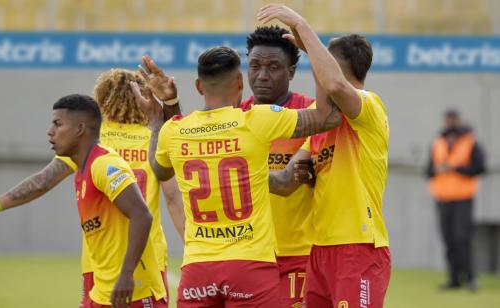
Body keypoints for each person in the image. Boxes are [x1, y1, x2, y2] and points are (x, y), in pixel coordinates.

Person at [133, 42, 342, 306]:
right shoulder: (256, 120)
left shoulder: (174, 130)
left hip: (199, 268)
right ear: (241, 83)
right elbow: (329, 117)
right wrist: (314, 50)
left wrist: (158, 117)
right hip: (250, 265)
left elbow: (160, 167)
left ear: (199, 87)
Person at [0, 95, 166, 307]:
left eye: (57, 124)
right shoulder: (82, 166)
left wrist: (127, 274)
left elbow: (142, 215)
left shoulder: (104, 164)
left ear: (79, 129)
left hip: (135, 291)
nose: (50, 131)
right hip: (103, 291)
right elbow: (39, 184)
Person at [260, 4, 391, 307]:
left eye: (321, 58)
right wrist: (237, 175)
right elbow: (283, 183)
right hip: (319, 251)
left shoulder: (369, 106)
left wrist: (300, 25)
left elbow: (333, 84)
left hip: (358, 247)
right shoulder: (320, 127)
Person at [66, 63, 184, 307]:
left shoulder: (91, 138)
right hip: (147, 254)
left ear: (101, 99)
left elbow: (44, 179)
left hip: (98, 257)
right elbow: (172, 197)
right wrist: (192, 245)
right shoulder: (153, 136)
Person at [241, 25, 315, 307]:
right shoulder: (235, 117)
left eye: (273, 67)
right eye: (255, 66)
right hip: (247, 254)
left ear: (292, 71)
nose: (262, 75)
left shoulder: (311, 115)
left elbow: (287, 183)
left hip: (298, 254)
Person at [426, 108, 486, 291]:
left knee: (462, 238)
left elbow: (479, 167)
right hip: (442, 197)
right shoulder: (437, 142)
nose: (451, 123)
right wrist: (438, 169)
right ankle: (454, 280)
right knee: (448, 239)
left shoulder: (470, 141)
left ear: (459, 121)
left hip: (463, 197)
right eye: (448, 120)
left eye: (454, 120)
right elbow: (428, 171)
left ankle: (470, 278)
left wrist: (455, 168)